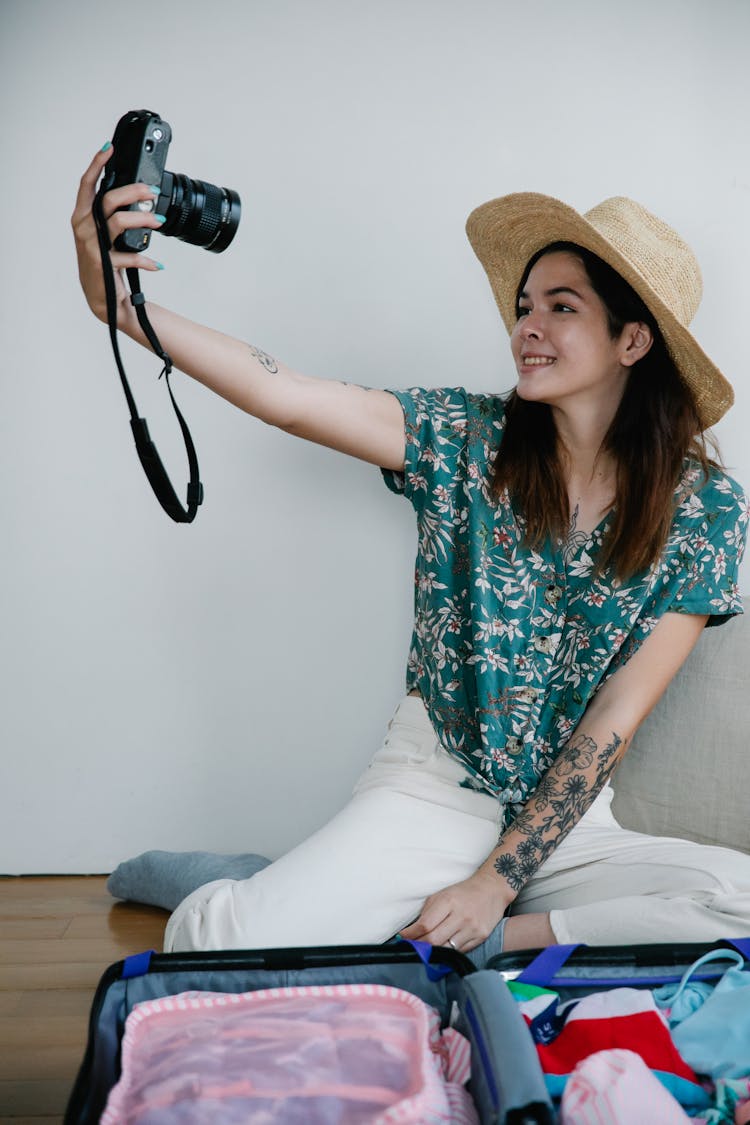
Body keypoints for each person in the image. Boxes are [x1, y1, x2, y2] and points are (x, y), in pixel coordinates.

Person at [72, 147, 750, 963]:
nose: (524, 327)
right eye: (524, 304)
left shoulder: (705, 508)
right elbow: (287, 394)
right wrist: (120, 307)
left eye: (559, 308)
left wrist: (497, 885)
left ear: (632, 339)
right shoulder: (464, 437)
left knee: (738, 897)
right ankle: (248, 885)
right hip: (437, 793)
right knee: (226, 942)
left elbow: (613, 720)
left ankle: (487, 937)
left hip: (566, 826)